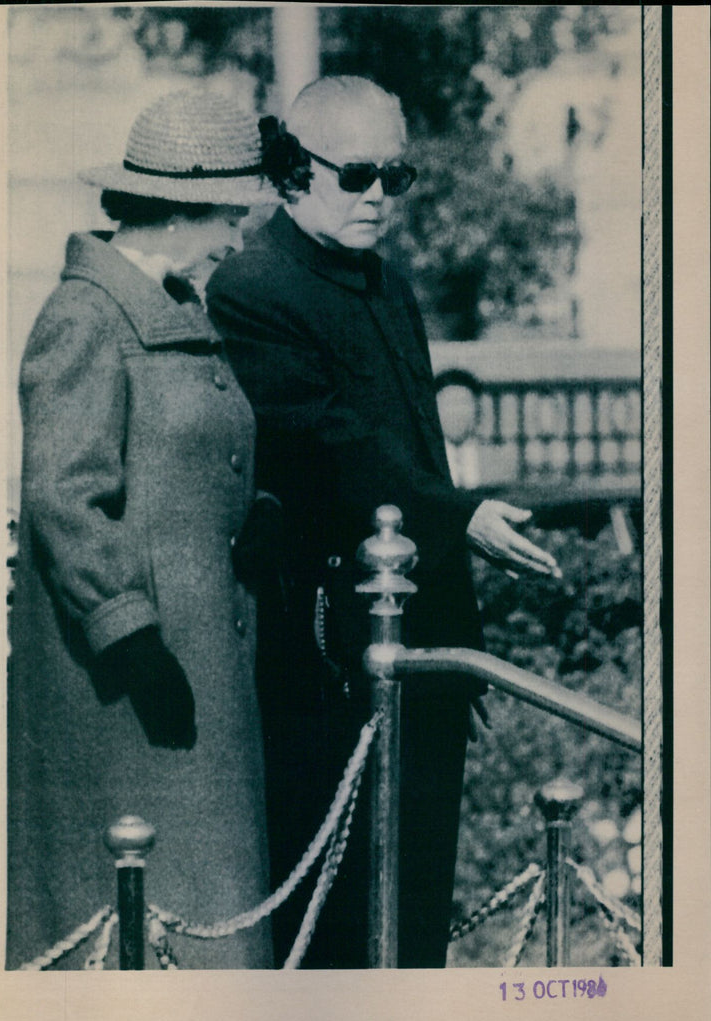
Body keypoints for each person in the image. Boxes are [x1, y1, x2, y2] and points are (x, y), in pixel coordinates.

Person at [206, 75, 560, 969]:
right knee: (336, 919)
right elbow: (335, 448)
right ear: (294, 169)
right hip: (325, 660)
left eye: (393, 179)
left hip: (418, 648)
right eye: (357, 175)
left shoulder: (387, 285)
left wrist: (455, 638)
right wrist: (464, 518)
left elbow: (418, 453)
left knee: (416, 914)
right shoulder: (253, 286)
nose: (377, 198)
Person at [7, 87, 281, 970]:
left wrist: (257, 517)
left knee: (206, 911)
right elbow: (62, 493)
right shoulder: (87, 316)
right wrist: (130, 631)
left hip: (195, 673)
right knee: (151, 913)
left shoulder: (176, 309)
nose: (238, 236)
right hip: (127, 691)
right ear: (179, 209)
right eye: (229, 215)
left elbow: (196, 461)